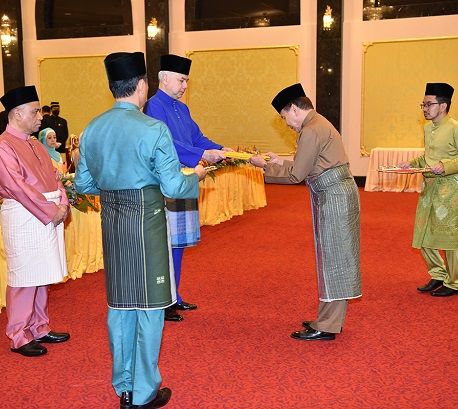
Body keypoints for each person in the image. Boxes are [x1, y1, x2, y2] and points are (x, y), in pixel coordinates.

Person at [75, 51, 206, 409]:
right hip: (146, 224)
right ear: (143, 85)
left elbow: (83, 185)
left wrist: (114, 190)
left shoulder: (93, 128)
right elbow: (174, 187)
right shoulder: (153, 128)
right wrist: (196, 175)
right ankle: (144, 391)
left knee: (120, 306)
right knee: (149, 307)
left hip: (113, 225)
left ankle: (124, 386)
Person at [249, 83, 361, 341]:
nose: (286, 123)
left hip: (334, 197)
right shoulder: (319, 123)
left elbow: (296, 175)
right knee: (334, 257)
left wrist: (262, 167)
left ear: (294, 109)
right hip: (337, 193)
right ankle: (328, 319)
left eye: (284, 117)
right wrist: (279, 161)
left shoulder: (310, 130)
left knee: (334, 260)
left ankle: (328, 325)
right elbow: (310, 165)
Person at [0, 85, 71, 357]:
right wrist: (51, 210)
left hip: (47, 211)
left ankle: (39, 327)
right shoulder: (2, 147)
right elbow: (17, 187)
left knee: (42, 273)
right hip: (25, 215)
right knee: (24, 276)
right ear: (17, 114)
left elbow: (56, 177)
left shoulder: (35, 144)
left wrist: (62, 203)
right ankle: (19, 335)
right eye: (35, 112)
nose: (40, 116)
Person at [145, 53, 229, 322]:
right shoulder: (153, 107)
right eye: (181, 80)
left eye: (186, 81)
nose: (184, 86)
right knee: (164, 245)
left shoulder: (182, 109)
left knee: (178, 243)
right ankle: (163, 300)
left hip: (184, 180)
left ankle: (174, 295)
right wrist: (202, 154)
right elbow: (167, 143)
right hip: (167, 183)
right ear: (164, 79)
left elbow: (197, 137)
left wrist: (221, 149)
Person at [400, 82, 458, 297]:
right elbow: (428, 157)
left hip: (450, 190)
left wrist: (445, 165)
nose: (424, 109)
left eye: (428, 104)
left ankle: (454, 282)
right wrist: (411, 164)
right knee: (423, 233)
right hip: (430, 188)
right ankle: (438, 274)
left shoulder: (457, 128)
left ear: (443, 106)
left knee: (449, 238)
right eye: (423, 104)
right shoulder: (427, 128)